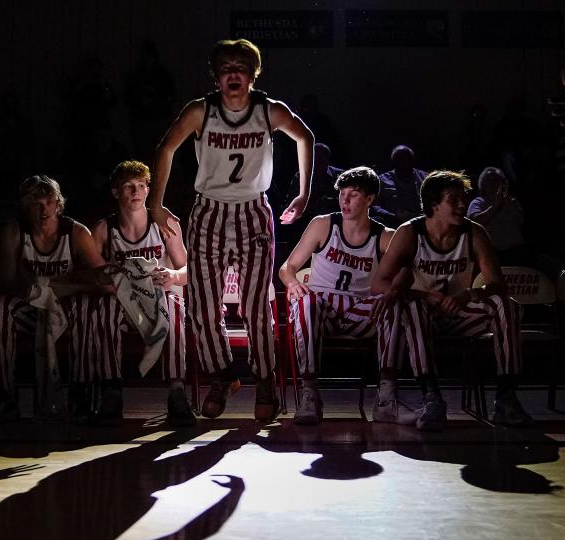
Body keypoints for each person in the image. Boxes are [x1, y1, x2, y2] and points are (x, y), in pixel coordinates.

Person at [148, 38, 313, 421]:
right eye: (225, 68)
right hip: (209, 210)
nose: (233, 73)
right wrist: (155, 204)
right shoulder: (199, 111)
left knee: (257, 305)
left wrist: (303, 193)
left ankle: (265, 378)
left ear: (254, 74)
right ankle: (222, 375)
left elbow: (305, 137)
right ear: (216, 77)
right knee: (203, 306)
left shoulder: (269, 110)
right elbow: (166, 148)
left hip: (253, 209)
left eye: (240, 66)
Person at [372, 170, 532, 430]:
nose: (462, 205)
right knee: (411, 307)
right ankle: (432, 397)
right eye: (453, 200)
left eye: (463, 198)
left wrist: (468, 294)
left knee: (508, 305)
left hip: (460, 312)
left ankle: (506, 398)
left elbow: (497, 284)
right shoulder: (410, 232)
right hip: (424, 317)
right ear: (434, 205)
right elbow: (380, 283)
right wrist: (427, 296)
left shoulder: (474, 232)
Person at [279, 167, 416, 426]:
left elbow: (408, 270)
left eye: (353, 194)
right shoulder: (323, 224)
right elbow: (287, 267)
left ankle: (387, 399)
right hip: (323, 307)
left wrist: (394, 289)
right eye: (342, 194)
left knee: (393, 304)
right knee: (304, 301)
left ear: (370, 199)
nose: (345, 200)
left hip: (360, 309)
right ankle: (309, 394)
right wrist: (292, 282)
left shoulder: (384, 235)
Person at [0, 175, 107, 421]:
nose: (44, 209)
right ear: (26, 206)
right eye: (36, 203)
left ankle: (80, 394)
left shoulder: (76, 232)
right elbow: (7, 282)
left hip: (66, 311)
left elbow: (104, 280)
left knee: (85, 309)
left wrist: (51, 286)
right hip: (29, 309)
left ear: (58, 204)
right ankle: (4, 395)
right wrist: (42, 290)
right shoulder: (15, 231)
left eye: (49, 202)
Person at [89, 160, 195, 426]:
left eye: (140, 186)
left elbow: (188, 271)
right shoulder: (104, 229)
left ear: (149, 190)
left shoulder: (164, 223)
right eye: (128, 187)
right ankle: (111, 390)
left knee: (173, 307)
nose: (135, 192)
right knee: (104, 309)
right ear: (116, 192)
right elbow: (92, 275)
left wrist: (172, 276)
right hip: (125, 305)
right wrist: (110, 281)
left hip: (160, 299)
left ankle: (177, 392)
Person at [467, 167, 528, 266]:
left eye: (497, 179)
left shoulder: (511, 201)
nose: (493, 182)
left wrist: (507, 203)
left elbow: (520, 219)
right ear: (482, 185)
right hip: (494, 255)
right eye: (489, 179)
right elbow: (473, 223)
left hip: (517, 251)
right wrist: (495, 205)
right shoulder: (478, 202)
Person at [374, 145, 427, 225]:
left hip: (422, 221)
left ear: (412, 161)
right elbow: (374, 205)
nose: (403, 163)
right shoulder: (382, 180)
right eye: (399, 160)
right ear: (393, 162)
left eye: (406, 160)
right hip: (393, 223)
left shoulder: (425, 178)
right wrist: (392, 216)